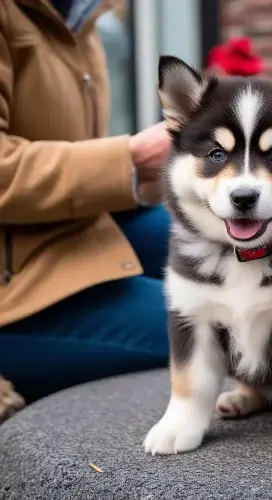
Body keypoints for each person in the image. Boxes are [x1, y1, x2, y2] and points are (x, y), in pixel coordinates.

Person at [0, 0, 173, 403]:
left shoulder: (81, 18)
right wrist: (129, 159)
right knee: (205, 325)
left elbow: (70, 154)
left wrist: (149, 176)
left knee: (225, 243)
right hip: (13, 281)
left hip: (54, 232)